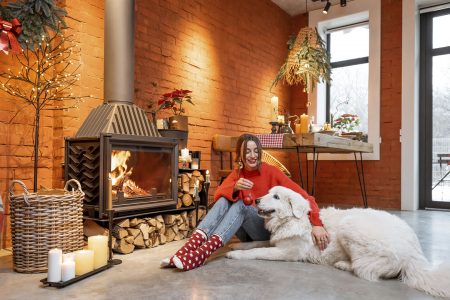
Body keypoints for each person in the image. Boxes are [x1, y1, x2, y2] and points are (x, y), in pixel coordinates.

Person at [161, 133, 329, 271]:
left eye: (256, 151)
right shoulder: (237, 173)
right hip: (245, 232)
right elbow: (219, 198)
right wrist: (234, 187)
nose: (252, 155)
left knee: (241, 205)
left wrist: (316, 223)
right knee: (224, 200)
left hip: (267, 230)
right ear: (240, 155)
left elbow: (307, 198)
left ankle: (203, 253)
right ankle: (186, 251)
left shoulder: (271, 172)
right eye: (248, 151)